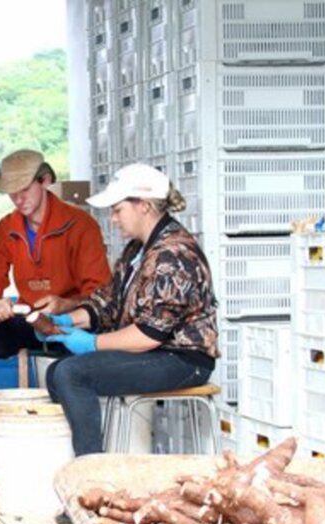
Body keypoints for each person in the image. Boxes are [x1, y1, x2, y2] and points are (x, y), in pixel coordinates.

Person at [41, 163, 218, 456]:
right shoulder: (138, 250)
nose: (112, 219)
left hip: (182, 359)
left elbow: (151, 334)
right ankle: (89, 457)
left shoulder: (173, 255)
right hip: (155, 352)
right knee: (57, 371)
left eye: (117, 209)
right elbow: (108, 303)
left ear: (144, 206)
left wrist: (92, 343)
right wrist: (64, 321)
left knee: (72, 374)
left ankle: (91, 470)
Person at [0, 149, 112, 451]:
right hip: (27, 318)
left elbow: (100, 295)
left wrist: (65, 304)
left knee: (86, 338)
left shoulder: (79, 224)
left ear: (44, 181)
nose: (18, 200)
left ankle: (79, 438)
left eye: (24, 190)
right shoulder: (6, 228)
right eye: (12, 194)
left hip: (70, 324)